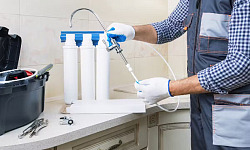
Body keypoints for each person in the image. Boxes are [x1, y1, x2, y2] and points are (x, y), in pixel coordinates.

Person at [106, 0, 250, 149]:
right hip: (200, 114)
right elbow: (170, 27)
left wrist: (170, 88)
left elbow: (242, 65)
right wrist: (132, 31)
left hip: (234, 121)